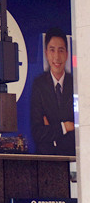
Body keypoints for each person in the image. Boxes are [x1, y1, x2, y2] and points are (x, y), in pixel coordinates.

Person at [30, 27, 75, 155]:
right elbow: (37, 133)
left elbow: (81, 129)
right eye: (52, 50)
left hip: (73, 158)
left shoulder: (75, 84)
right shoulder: (38, 85)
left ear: (67, 54)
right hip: (46, 159)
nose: (56, 56)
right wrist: (65, 126)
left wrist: (51, 131)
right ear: (46, 53)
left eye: (61, 50)